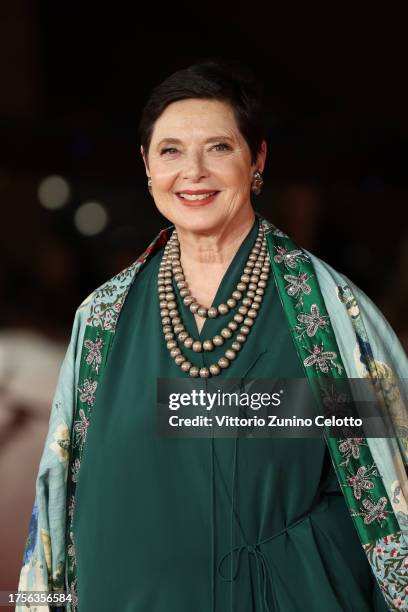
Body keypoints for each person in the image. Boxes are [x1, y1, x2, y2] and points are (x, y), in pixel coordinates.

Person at [17, 61, 408, 612]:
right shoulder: (103, 317)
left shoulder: (328, 313)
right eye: (170, 151)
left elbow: (382, 481)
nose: (192, 172)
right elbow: (66, 494)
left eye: (219, 147)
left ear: (257, 161)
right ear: (147, 167)